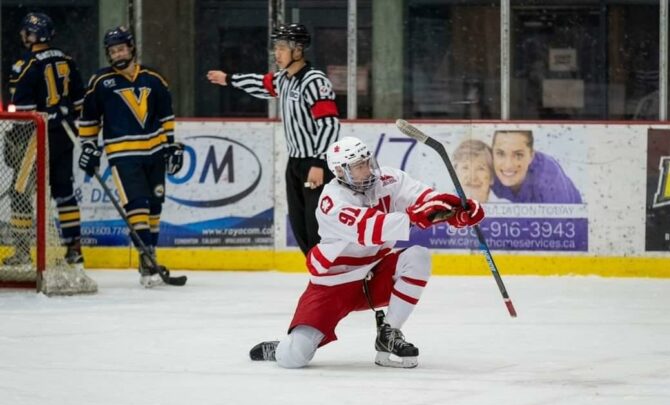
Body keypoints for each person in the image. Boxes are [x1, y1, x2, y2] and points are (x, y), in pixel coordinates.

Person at [249, 136, 485, 368]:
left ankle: (388, 334)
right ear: (340, 172)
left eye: (367, 162)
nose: (367, 170)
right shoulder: (331, 202)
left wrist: (453, 211)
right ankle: (281, 347)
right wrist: (417, 217)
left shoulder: (389, 179)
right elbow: (369, 227)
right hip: (333, 284)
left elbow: (422, 197)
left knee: (418, 256)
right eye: (358, 167)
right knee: (295, 357)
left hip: (373, 274)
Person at [206, 23, 340, 256]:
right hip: (296, 164)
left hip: (315, 164)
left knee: (317, 227)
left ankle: (334, 279)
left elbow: (330, 124)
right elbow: (260, 83)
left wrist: (319, 163)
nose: (276, 53)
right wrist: (228, 78)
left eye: (282, 48)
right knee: (300, 227)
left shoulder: (314, 81)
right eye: (275, 47)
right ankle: (320, 278)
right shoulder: (285, 80)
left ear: (298, 50)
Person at [77, 26, 183, 287]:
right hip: (123, 156)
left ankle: (151, 256)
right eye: (113, 51)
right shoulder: (100, 82)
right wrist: (89, 147)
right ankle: (148, 264)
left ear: (132, 48)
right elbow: (89, 120)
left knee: (154, 209)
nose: (117, 54)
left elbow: (165, 116)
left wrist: (171, 146)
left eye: (121, 48)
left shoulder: (153, 78)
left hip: (154, 153)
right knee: (137, 206)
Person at [4, 12, 85, 266]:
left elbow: (23, 111)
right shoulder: (67, 60)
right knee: (64, 191)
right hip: (65, 135)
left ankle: (20, 251)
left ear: (33, 35)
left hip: (36, 138)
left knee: (19, 191)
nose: (22, 36)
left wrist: (15, 137)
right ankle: (74, 248)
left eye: (26, 32)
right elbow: (80, 103)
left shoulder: (25, 64)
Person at [491, 130, 582, 204]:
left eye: (518, 155)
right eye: (500, 154)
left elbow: (562, 224)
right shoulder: (486, 168)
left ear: (531, 156)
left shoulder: (549, 179)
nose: (508, 165)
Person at [451, 139, 506, 203]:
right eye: (465, 168)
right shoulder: (442, 206)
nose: (472, 177)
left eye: (480, 168)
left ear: (492, 177)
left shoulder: (508, 207)